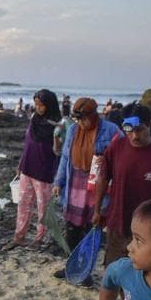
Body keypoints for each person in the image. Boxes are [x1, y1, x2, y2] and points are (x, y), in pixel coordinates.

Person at [93, 104, 151, 266]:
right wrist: (97, 210)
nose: (134, 136)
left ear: (150, 124)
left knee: (141, 270)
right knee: (114, 270)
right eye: (129, 130)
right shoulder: (116, 147)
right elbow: (103, 178)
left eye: (139, 130)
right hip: (118, 221)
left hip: (147, 225)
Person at [52, 97, 120, 286]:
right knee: (72, 229)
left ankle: (85, 271)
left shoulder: (111, 131)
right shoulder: (73, 130)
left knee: (91, 230)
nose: (80, 123)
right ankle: (70, 267)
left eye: (83, 119)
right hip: (74, 183)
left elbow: (120, 158)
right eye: (77, 119)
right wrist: (58, 181)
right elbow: (65, 158)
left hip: (96, 188)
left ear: (93, 115)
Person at [5, 89, 61, 250]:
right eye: (36, 104)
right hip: (27, 168)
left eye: (41, 105)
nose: (38, 108)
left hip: (44, 171)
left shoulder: (57, 124)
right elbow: (28, 143)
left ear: (49, 105)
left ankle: (39, 239)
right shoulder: (34, 119)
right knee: (23, 203)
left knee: (43, 207)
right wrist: (21, 164)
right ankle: (19, 236)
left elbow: (59, 151)